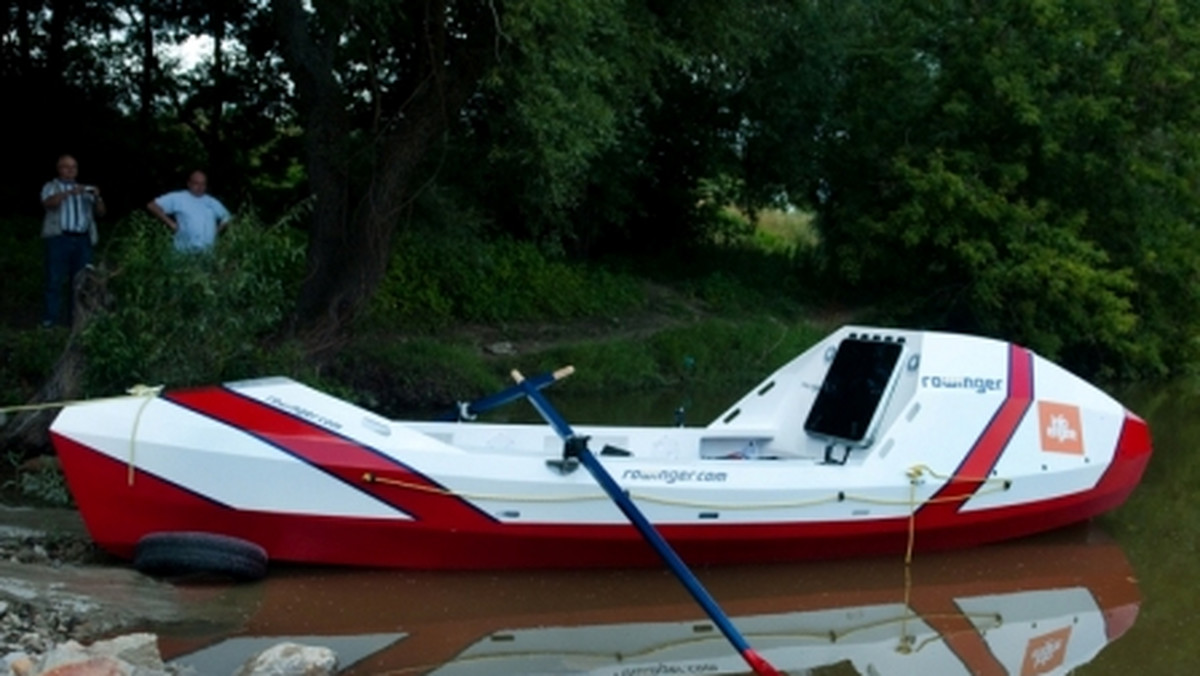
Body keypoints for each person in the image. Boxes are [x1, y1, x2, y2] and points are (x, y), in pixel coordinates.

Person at [40, 154, 105, 327]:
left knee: (82, 281)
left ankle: (75, 320)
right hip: (59, 238)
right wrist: (69, 193)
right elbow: (48, 203)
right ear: (59, 169)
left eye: (74, 167)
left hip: (82, 240)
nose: (71, 170)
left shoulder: (85, 189)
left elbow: (101, 212)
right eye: (66, 167)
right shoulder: (51, 186)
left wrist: (97, 196)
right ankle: (50, 322)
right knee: (54, 280)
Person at [146, 170, 232, 252]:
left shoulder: (212, 202)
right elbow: (152, 206)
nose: (200, 187)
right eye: (196, 183)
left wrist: (215, 232)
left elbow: (227, 217)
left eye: (203, 184)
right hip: (184, 252)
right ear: (189, 184)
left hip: (207, 253)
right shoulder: (179, 198)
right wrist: (171, 224)